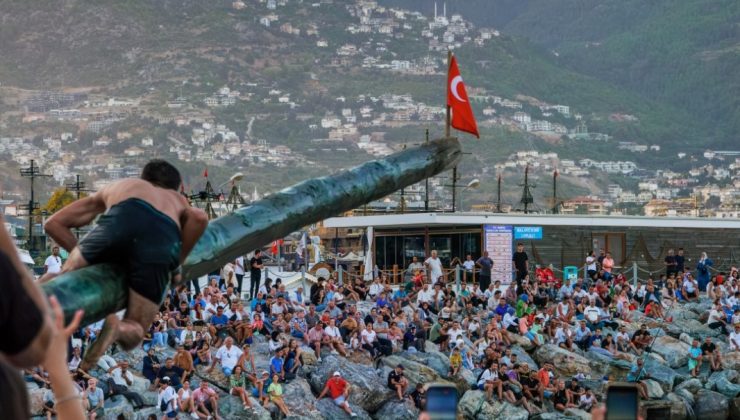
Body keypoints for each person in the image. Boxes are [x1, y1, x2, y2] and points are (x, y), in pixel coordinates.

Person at [42, 160, 209, 369]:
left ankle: (39, 285)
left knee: (61, 277)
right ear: (174, 187)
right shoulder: (178, 200)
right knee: (137, 328)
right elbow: (199, 218)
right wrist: (176, 264)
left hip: (119, 221)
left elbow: (53, 224)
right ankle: (118, 328)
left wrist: (85, 258)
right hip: (159, 240)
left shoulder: (123, 185)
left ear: (143, 178)